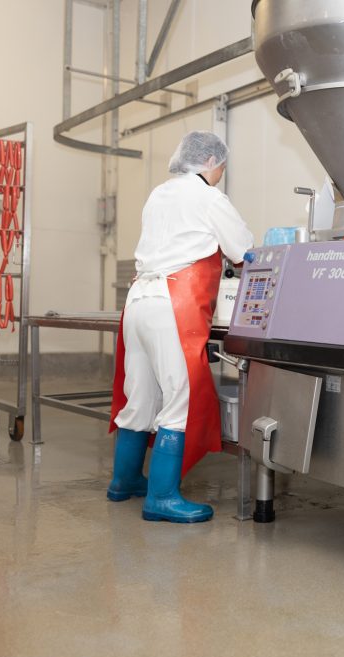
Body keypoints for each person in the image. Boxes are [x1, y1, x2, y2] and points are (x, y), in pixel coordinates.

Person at [107, 130, 254, 523]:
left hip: (138, 302)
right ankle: (162, 498)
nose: (222, 171)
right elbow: (243, 252)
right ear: (209, 162)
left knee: (138, 397)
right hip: (174, 306)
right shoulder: (208, 197)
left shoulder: (160, 194)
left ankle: (124, 483)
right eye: (221, 164)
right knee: (179, 399)